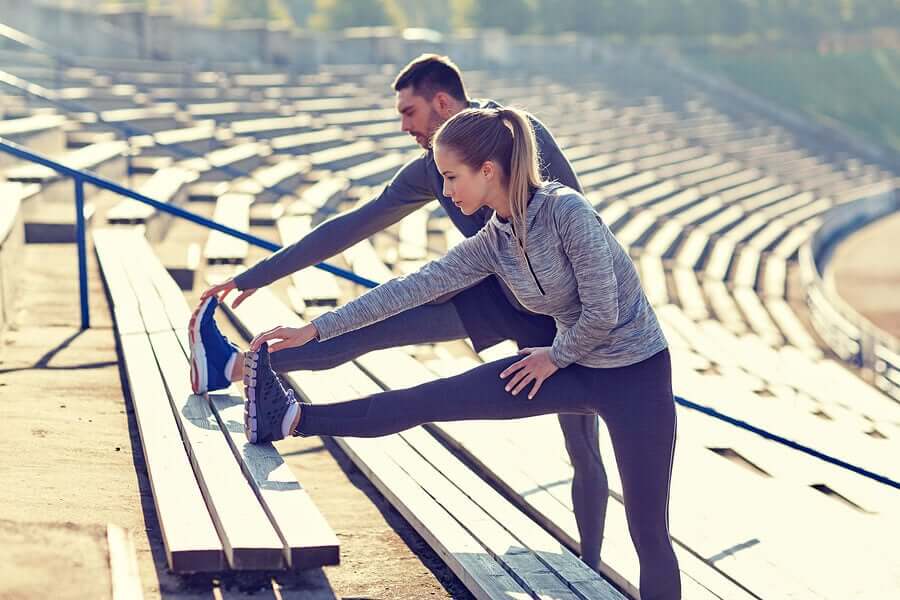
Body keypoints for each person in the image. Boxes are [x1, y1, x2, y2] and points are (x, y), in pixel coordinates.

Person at [238, 107, 681, 600]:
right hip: (570, 364)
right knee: (432, 398)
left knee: (648, 533)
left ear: (488, 171)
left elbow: (604, 310)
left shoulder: (567, 213)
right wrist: (315, 329)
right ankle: (291, 420)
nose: (446, 192)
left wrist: (554, 356)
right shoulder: (496, 238)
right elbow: (413, 288)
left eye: (451, 177)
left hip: (635, 379)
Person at [189, 54, 611, 569]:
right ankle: (233, 366)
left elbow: (583, 228)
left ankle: (591, 571)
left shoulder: (519, 135)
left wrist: (572, 337)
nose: (404, 126)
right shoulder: (430, 171)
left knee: (583, 446)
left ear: (441, 102)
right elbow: (352, 225)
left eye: (409, 112)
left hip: (559, 315)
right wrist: (255, 276)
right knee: (366, 329)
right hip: (491, 295)